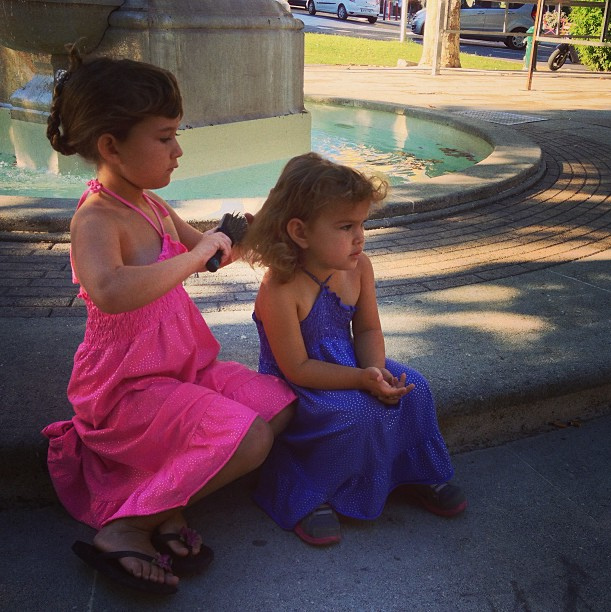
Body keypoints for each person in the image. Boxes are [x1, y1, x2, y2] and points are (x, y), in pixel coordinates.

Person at [41, 46, 296, 594]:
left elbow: (208, 250)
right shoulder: (97, 219)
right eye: (164, 138)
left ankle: (166, 501)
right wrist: (194, 257)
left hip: (182, 369)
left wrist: (250, 233)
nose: (178, 151)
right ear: (110, 146)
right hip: (127, 388)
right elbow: (110, 291)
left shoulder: (151, 204)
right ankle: (129, 526)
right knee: (250, 439)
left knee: (276, 405)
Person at [242, 152, 466, 546]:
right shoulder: (280, 288)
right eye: (346, 227)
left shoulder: (359, 267)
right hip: (299, 386)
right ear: (300, 232)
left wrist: (377, 372)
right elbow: (296, 368)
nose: (360, 237)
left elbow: (367, 328)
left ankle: (412, 472)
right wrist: (362, 380)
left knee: (416, 391)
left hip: (351, 365)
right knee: (353, 415)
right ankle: (310, 491)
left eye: (362, 224)